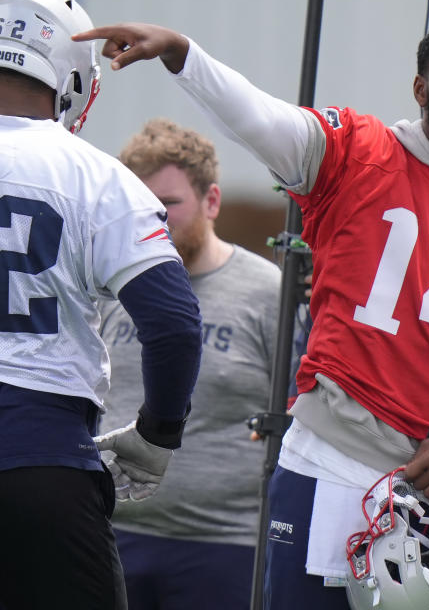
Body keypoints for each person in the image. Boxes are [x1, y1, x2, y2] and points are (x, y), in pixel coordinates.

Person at [75, 15, 429, 610]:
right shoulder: (356, 149)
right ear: (420, 85)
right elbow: (260, 117)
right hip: (336, 458)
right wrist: (183, 55)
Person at [0, 0, 201, 610]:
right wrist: (158, 432)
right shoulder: (97, 178)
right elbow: (172, 324)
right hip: (39, 461)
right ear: (73, 79)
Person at [97, 118, 281, 609]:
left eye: (170, 204)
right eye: (143, 207)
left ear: (212, 202)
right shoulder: (110, 285)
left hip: (223, 545)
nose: (156, 220)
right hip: (111, 534)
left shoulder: (269, 293)